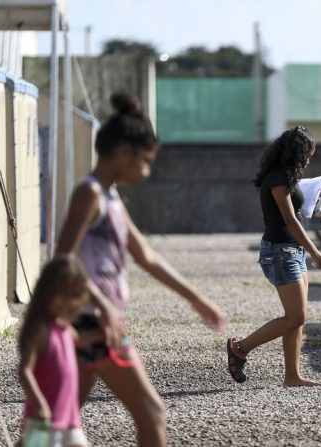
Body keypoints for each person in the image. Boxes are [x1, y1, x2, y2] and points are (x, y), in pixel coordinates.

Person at [55, 92, 227, 447]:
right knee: (151, 413)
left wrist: (197, 299)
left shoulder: (112, 197)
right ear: (122, 152)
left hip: (98, 320)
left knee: (58, 419)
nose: (147, 171)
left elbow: (146, 256)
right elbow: (63, 260)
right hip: (92, 322)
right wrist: (101, 304)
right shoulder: (90, 194)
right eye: (145, 161)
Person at [226, 126, 321, 387]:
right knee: (296, 316)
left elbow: (296, 214)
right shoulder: (277, 178)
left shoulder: (288, 177)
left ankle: (292, 376)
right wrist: (315, 251)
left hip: (292, 250)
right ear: (297, 152)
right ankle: (241, 347)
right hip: (280, 251)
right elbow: (288, 220)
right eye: (307, 155)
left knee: (296, 317)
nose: (308, 160)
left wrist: (314, 212)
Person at [19, 255, 94, 447]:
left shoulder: (65, 328)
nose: (68, 302)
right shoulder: (40, 330)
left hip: (69, 417)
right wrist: (40, 404)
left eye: (74, 296)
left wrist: (105, 333)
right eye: (62, 294)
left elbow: (82, 341)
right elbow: (25, 371)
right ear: (47, 292)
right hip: (46, 418)